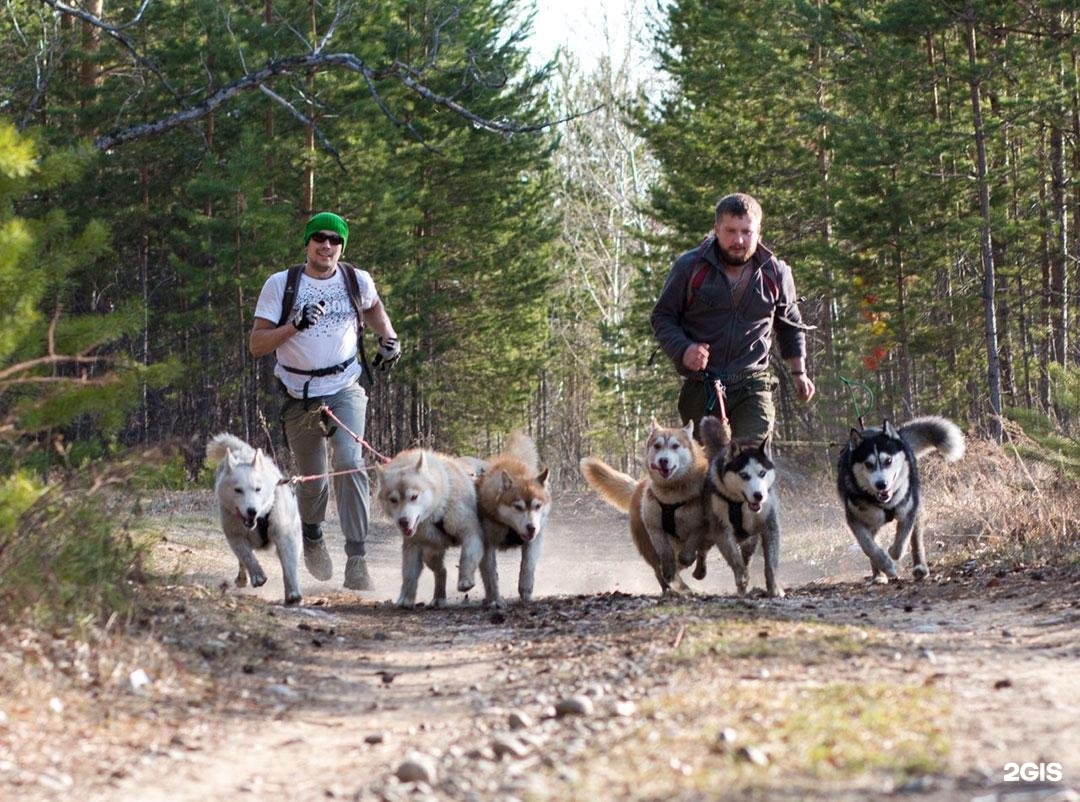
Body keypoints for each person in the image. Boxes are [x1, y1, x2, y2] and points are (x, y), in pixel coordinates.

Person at [250, 212, 401, 591]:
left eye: (336, 240)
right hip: (297, 394)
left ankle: (357, 557)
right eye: (320, 237)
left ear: (342, 247)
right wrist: (294, 326)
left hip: (345, 386)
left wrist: (390, 338)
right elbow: (256, 345)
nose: (327, 245)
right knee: (313, 480)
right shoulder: (281, 285)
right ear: (307, 242)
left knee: (351, 464)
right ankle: (313, 535)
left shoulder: (355, 279)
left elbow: (373, 307)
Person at [651, 193, 814, 443]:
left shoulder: (776, 273)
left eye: (746, 232)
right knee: (706, 470)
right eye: (730, 231)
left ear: (758, 232)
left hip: (753, 382)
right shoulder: (690, 267)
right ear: (716, 229)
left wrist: (799, 373)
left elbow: (790, 325)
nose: (738, 240)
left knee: (750, 462)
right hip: (702, 385)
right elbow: (662, 317)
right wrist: (684, 349)